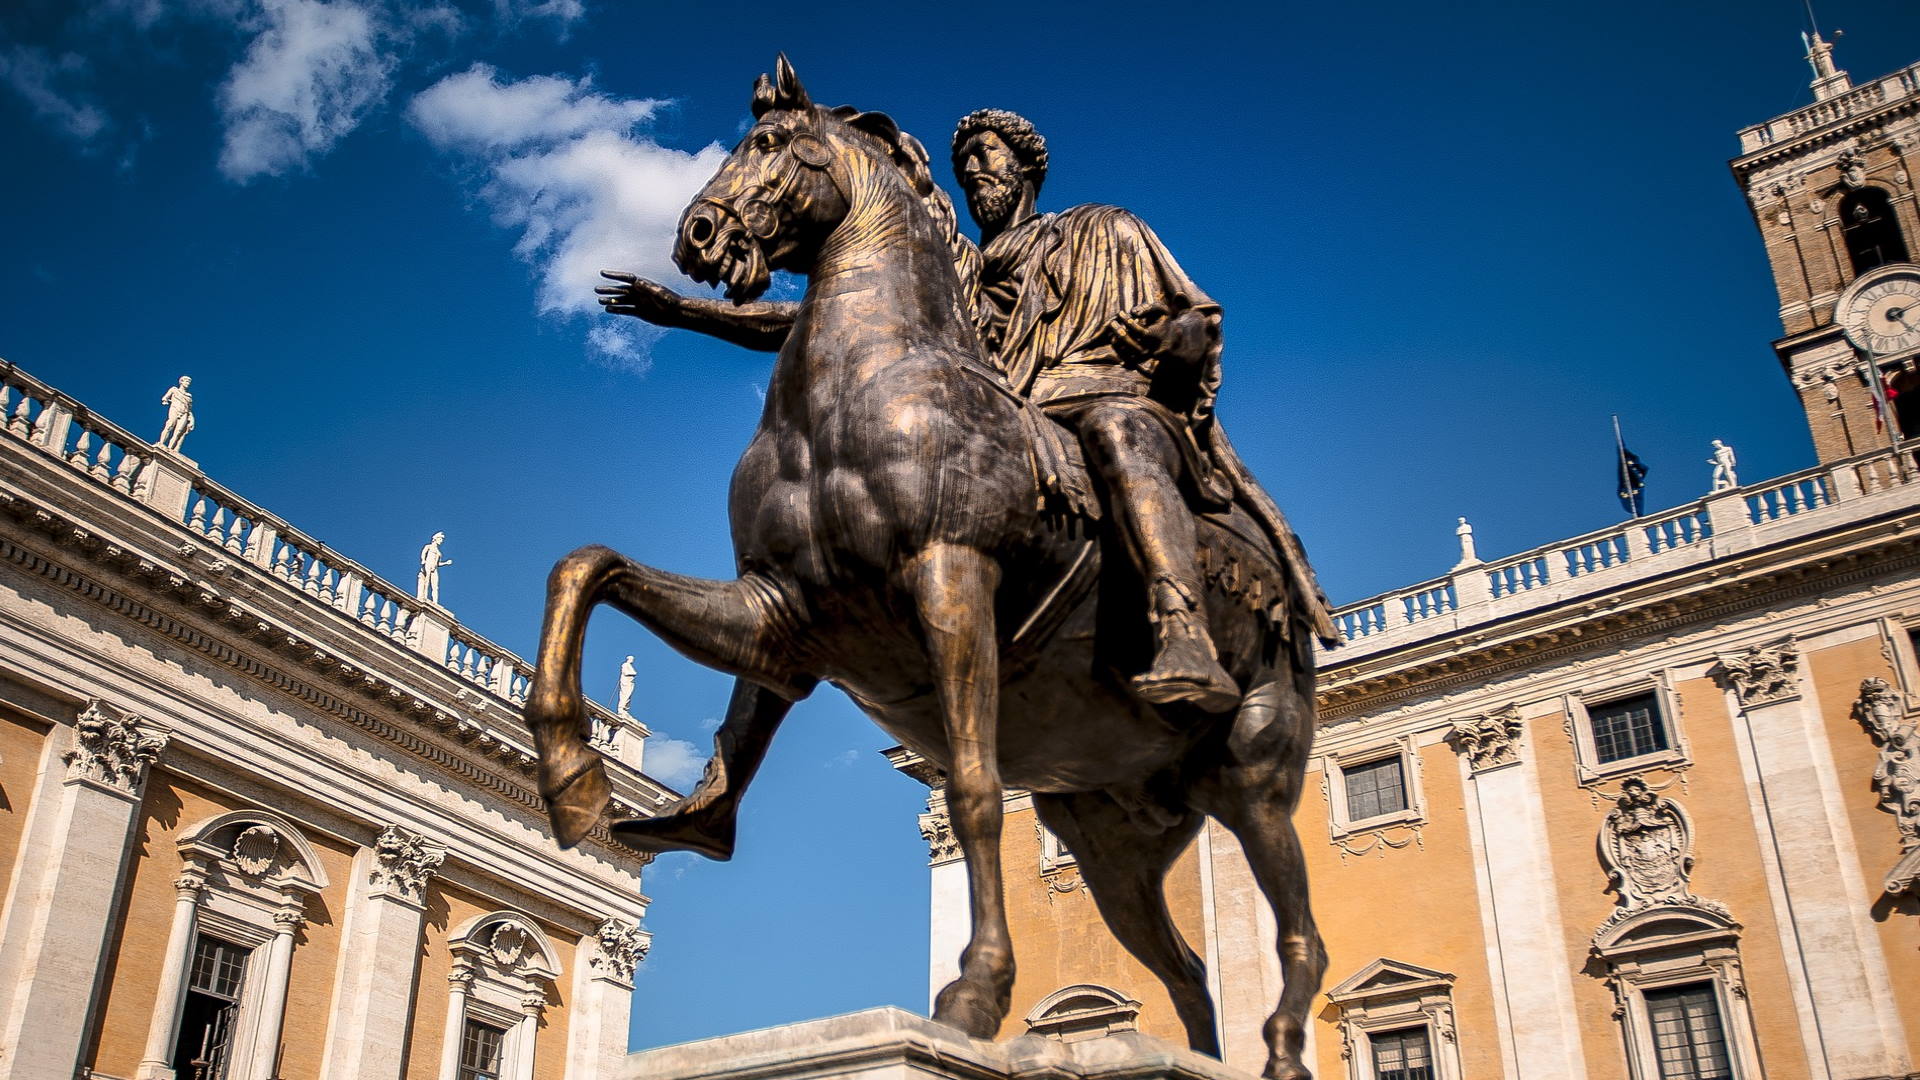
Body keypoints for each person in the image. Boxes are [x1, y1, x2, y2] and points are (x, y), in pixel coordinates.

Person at [157, 376, 194, 453]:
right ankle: (161, 443)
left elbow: (189, 409)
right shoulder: (174, 390)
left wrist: (192, 419)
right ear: (181, 382)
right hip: (175, 409)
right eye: (186, 382)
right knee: (170, 425)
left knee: (178, 432)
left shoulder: (189, 396)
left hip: (185, 413)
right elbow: (165, 397)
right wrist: (165, 401)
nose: (188, 384)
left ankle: (170, 449)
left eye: (189, 382)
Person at [416, 532, 451, 604]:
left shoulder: (439, 553)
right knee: (427, 580)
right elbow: (423, 553)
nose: (441, 541)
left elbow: (438, 564)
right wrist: (423, 560)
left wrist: (446, 563)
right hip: (428, 564)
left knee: (435, 585)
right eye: (440, 539)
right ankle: (424, 596)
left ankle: (435, 601)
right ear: (435, 539)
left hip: (434, 568)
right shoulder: (428, 546)